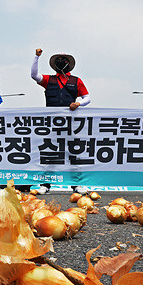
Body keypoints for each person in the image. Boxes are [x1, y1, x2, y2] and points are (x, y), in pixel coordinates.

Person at [31, 48, 91, 193]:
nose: (61, 62)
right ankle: (45, 185)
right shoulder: (49, 80)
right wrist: (36, 57)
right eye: (58, 60)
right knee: (49, 152)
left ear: (69, 64)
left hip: (71, 124)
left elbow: (87, 98)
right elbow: (34, 75)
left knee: (73, 153)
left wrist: (78, 103)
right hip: (51, 124)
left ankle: (76, 184)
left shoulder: (76, 81)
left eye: (63, 60)